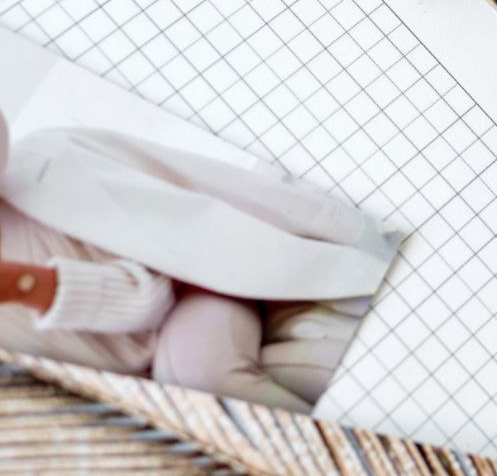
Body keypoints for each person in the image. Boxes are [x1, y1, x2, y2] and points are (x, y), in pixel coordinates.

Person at [0, 109, 400, 412]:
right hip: (135, 386)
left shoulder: (47, 160)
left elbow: (152, 299)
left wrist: (24, 283)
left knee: (200, 375)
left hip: (187, 293)